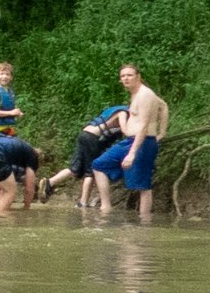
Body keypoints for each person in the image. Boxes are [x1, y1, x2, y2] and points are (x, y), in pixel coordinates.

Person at [91, 64, 170, 218]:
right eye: (123, 76)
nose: (125, 78)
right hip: (130, 141)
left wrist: (133, 152)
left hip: (142, 142)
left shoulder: (145, 95)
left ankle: (144, 223)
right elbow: (164, 106)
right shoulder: (136, 94)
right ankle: (106, 207)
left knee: (143, 186)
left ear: (138, 76)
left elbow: (144, 125)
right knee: (99, 165)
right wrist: (162, 132)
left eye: (129, 75)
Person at [41, 105, 128, 208]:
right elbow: (125, 130)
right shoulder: (123, 113)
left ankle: (49, 182)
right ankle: (83, 203)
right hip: (92, 139)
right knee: (91, 171)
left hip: (85, 134)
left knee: (75, 169)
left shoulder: (116, 110)